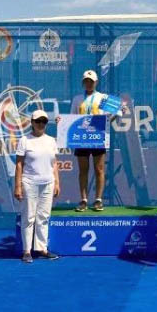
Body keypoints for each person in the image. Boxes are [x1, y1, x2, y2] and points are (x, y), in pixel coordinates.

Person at [58, 69, 124, 212]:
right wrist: (62, 123)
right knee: (83, 170)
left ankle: (98, 200)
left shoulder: (103, 97)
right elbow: (72, 118)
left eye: (91, 81)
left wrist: (116, 115)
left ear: (96, 82)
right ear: (83, 83)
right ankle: (83, 200)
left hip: (98, 138)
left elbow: (113, 116)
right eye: (86, 81)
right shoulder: (77, 99)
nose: (89, 84)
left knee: (99, 169)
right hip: (82, 139)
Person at [15, 109, 60, 263]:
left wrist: (57, 182)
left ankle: (42, 248)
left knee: (44, 217)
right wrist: (18, 186)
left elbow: (54, 163)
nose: (41, 124)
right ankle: (27, 251)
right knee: (28, 217)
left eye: (44, 121)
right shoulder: (24, 140)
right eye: (38, 121)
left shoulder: (51, 140)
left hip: (48, 183)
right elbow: (19, 164)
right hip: (29, 183)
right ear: (32, 123)